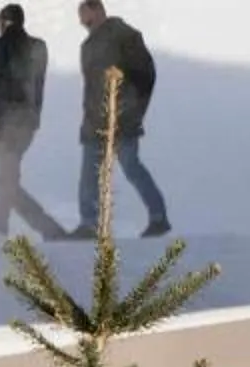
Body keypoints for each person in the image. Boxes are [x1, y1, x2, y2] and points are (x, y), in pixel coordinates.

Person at [69, 1, 169, 238]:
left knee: (131, 165)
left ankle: (158, 217)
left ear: (98, 11)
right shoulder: (88, 46)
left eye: (87, 17)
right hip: (95, 121)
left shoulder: (124, 36)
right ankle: (89, 224)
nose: (83, 23)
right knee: (89, 174)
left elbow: (146, 74)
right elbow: (91, 88)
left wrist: (133, 109)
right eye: (82, 19)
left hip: (123, 118)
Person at [0, 5, 65, 239]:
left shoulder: (4, 51)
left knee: (5, 185)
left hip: (5, 127)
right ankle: (49, 231)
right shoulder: (36, 48)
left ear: (5, 23)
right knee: (8, 185)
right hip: (24, 126)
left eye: (0, 23)